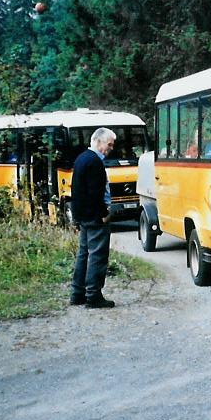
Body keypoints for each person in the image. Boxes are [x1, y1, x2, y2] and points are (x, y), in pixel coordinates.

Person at [70, 127, 116, 308]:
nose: (110, 149)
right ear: (98, 141)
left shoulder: (81, 159)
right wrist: (104, 214)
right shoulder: (95, 162)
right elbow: (95, 193)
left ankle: (77, 293)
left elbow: (77, 191)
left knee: (83, 254)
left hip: (83, 215)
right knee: (97, 255)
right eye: (109, 145)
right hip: (95, 216)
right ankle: (93, 295)